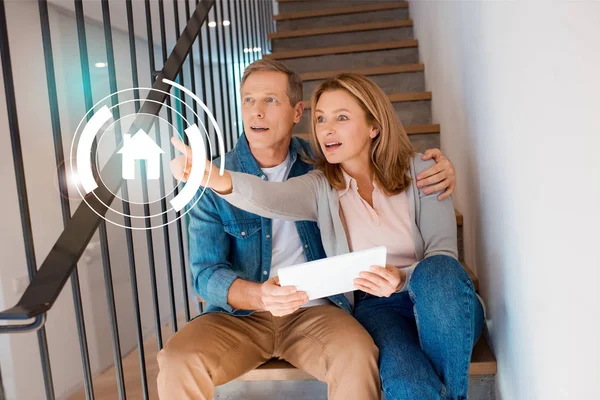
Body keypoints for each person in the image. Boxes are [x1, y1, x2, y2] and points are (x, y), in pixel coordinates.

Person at [181, 72, 482, 400]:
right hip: (378, 309)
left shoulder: (424, 171)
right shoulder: (319, 185)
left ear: (373, 126)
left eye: (341, 118)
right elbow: (268, 196)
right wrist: (216, 178)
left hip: (442, 301)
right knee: (409, 384)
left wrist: (400, 278)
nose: (326, 129)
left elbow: (444, 258)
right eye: (321, 119)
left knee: (436, 272)